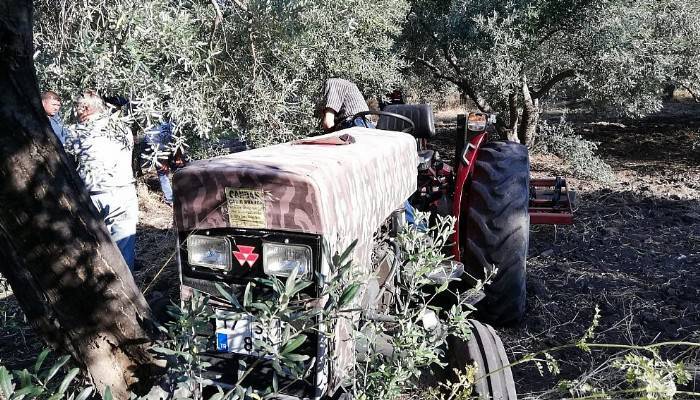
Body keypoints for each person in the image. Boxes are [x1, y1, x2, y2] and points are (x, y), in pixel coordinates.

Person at [66, 90, 138, 270]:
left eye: (77, 107)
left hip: (91, 196)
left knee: (93, 250)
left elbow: (67, 164)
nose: (75, 111)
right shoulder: (123, 128)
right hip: (123, 193)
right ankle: (126, 292)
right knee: (124, 249)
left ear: (85, 108)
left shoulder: (75, 133)